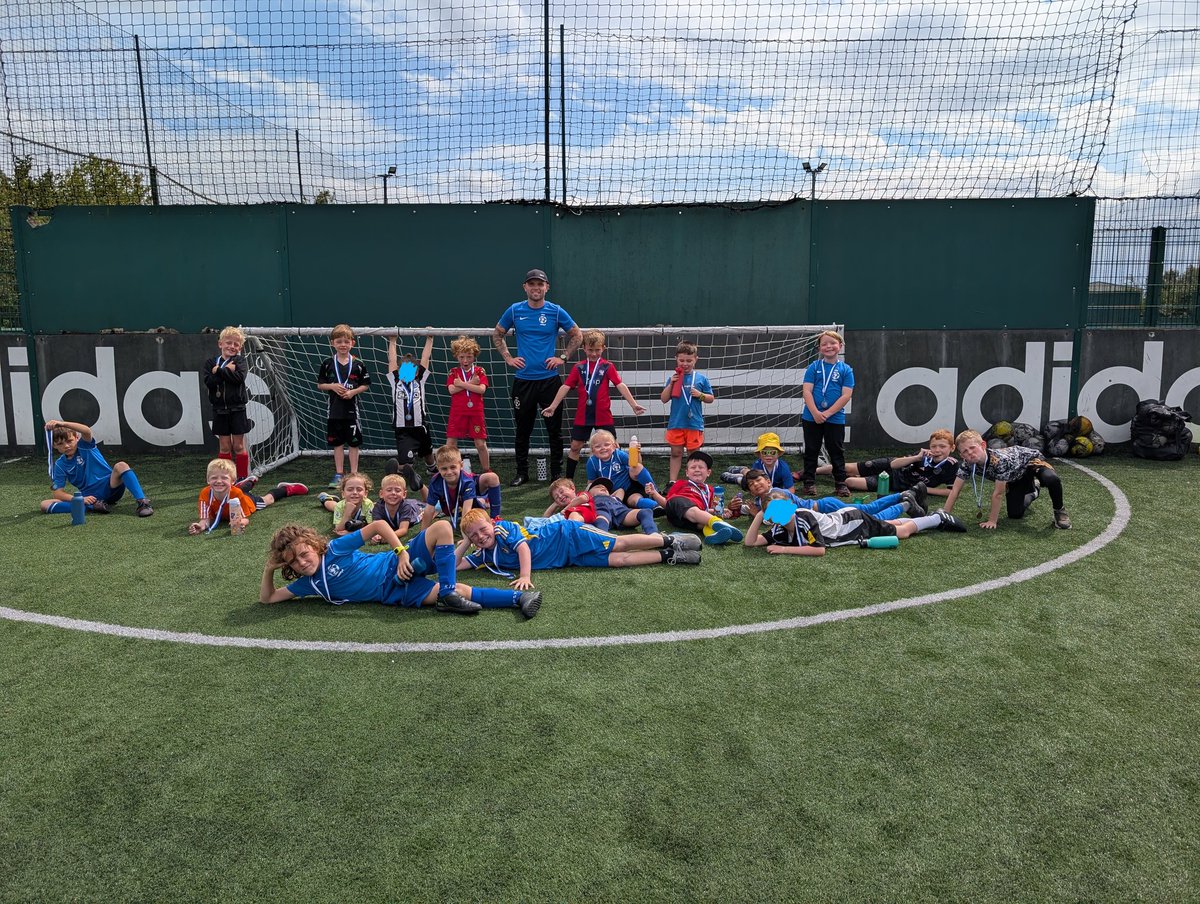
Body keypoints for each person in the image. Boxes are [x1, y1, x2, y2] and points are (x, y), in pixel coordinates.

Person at [261, 519, 541, 617]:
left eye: (303, 554)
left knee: (442, 528)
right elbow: (269, 598)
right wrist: (269, 570)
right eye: (293, 562)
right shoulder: (309, 584)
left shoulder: (335, 548)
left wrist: (401, 553)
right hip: (394, 593)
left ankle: (446, 593)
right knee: (462, 589)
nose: (301, 562)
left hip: (395, 562)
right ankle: (519, 598)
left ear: (313, 545)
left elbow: (379, 527)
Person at [456, 508, 700, 591]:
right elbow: (456, 565)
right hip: (568, 559)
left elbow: (523, 549)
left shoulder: (504, 529)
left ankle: (668, 541)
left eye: (482, 529)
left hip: (569, 534)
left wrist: (525, 576)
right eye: (474, 535)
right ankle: (668, 556)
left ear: (492, 523)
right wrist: (466, 542)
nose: (481, 536)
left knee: (619, 542)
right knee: (619, 560)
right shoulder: (485, 554)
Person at [492, 268, 583, 486]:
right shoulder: (514, 311)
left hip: (549, 381)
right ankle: (521, 472)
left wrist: (562, 357)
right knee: (523, 429)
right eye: (532, 284)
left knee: (554, 430)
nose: (536, 288)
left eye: (540, 284)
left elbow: (577, 335)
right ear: (525, 287)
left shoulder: (556, 311)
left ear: (547, 288)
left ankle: (556, 473)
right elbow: (497, 333)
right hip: (523, 381)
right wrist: (508, 357)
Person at [541, 329, 646, 479]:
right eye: (590, 350)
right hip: (583, 415)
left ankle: (622, 477)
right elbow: (565, 387)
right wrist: (553, 405)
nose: (594, 353)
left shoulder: (607, 366)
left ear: (603, 348)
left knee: (613, 447)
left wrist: (633, 404)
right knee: (575, 447)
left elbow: (620, 384)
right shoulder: (579, 367)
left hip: (603, 414)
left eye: (597, 350)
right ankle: (569, 480)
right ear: (584, 348)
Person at [743, 493, 966, 556]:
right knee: (883, 522)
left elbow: (819, 549)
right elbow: (751, 542)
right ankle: (910, 511)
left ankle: (937, 518)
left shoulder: (803, 518)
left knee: (901, 533)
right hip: (844, 520)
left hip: (852, 523)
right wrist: (759, 516)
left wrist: (783, 549)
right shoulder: (780, 526)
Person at [943, 429, 1071, 530]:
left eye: (972, 448)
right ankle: (1034, 490)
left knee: (1051, 479)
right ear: (960, 455)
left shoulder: (999, 461)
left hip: (1031, 463)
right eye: (965, 451)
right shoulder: (966, 464)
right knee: (1015, 514)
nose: (970, 453)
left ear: (983, 445)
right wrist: (944, 515)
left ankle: (1059, 511)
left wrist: (992, 520)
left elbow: (998, 493)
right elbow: (955, 491)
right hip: (1015, 476)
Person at [40, 419, 154, 517]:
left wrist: (62, 424)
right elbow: (57, 493)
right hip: (91, 497)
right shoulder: (60, 464)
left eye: (69, 441)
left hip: (111, 487)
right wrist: (80, 499)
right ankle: (89, 506)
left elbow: (86, 430)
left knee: (121, 465)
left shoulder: (84, 446)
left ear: (76, 437)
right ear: (54, 445)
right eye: (60, 444)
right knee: (44, 504)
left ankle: (142, 503)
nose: (66, 446)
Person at [817, 428, 958, 498]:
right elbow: (895, 464)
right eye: (934, 446)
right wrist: (916, 458)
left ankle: (858, 477)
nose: (937, 450)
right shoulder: (923, 454)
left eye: (942, 447)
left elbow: (950, 492)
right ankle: (810, 473)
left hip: (892, 482)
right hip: (891, 465)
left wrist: (923, 489)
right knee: (848, 467)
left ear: (952, 448)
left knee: (850, 482)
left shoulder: (951, 465)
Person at [739, 468, 925, 521]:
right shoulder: (759, 500)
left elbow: (784, 516)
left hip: (825, 508)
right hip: (824, 510)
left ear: (769, 482)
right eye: (751, 484)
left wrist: (759, 516)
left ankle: (904, 496)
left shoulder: (777, 493)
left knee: (869, 512)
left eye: (758, 481)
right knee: (868, 511)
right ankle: (904, 497)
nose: (755, 485)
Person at [188, 458, 307, 534]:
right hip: (234, 491)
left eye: (224, 478)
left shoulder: (236, 494)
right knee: (237, 490)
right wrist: (201, 526)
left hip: (248, 501)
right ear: (208, 480)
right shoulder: (204, 493)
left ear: (232, 481)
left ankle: (286, 489)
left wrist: (241, 523)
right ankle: (248, 483)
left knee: (268, 500)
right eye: (214, 478)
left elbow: (245, 518)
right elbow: (205, 519)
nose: (218, 481)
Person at [800, 329, 854, 497]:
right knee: (811, 450)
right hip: (811, 416)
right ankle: (809, 483)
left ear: (840, 346)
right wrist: (815, 412)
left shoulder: (846, 370)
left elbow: (846, 395)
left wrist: (828, 413)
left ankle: (840, 483)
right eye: (824, 344)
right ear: (819, 348)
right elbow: (807, 391)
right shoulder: (813, 367)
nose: (828, 346)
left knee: (836, 450)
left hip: (835, 418)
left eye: (832, 343)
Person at [315, 324, 371, 487]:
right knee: (337, 443)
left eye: (346, 341)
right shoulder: (327, 363)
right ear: (333, 343)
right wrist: (333, 386)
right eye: (339, 341)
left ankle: (354, 473)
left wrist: (353, 392)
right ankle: (339, 473)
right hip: (334, 412)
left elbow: (365, 384)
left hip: (352, 412)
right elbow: (320, 385)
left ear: (352, 343)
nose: (343, 345)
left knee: (354, 443)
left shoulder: (359, 364)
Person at [659, 340, 715, 483]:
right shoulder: (673, 378)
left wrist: (700, 395)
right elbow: (664, 399)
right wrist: (671, 383)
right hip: (676, 423)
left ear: (696, 359)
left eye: (689, 360)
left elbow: (711, 398)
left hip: (694, 423)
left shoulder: (701, 379)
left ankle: (694, 482)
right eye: (682, 360)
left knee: (694, 455)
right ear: (676, 359)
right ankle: (672, 482)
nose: (685, 363)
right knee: (676, 453)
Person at [202, 325, 252, 479]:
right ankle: (227, 478)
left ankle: (243, 479)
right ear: (220, 344)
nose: (232, 346)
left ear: (240, 347)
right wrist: (226, 371)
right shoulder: (211, 363)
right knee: (225, 447)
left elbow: (238, 379)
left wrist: (220, 371)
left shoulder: (240, 361)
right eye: (228, 343)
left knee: (238, 446)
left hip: (237, 409)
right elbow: (209, 382)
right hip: (219, 410)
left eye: (236, 344)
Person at [663, 450, 743, 545]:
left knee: (703, 523)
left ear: (708, 472)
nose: (697, 469)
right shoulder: (681, 483)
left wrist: (720, 510)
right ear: (687, 473)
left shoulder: (711, 490)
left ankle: (713, 535)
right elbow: (667, 502)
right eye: (693, 467)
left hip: (691, 521)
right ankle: (719, 523)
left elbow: (707, 510)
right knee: (692, 510)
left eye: (701, 467)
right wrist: (654, 494)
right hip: (677, 509)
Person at [385, 333, 436, 477]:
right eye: (403, 370)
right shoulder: (395, 381)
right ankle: (400, 470)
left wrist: (430, 339)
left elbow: (425, 358)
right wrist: (393, 341)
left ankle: (431, 468)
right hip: (403, 430)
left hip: (420, 426)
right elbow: (392, 360)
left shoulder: (420, 381)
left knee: (427, 451)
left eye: (411, 371)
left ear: (416, 372)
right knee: (407, 462)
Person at [419, 445, 502, 531]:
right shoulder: (435, 481)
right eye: (444, 469)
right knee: (479, 502)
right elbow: (429, 509)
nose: (449, 472)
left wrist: (466, 535)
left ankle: (495, 518)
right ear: (438, 469)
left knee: (492, 478)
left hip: (469, 503)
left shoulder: (468, 482)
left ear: (461, 465)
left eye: (453, 467)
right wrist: (422, 535)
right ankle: (482, 500)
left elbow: (467, 511)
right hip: (450, 507)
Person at [444, 335, 492, 474]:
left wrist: (462, 384)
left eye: (469, 357)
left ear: (474, 356)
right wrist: (471, 383)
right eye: (461, 357)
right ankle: (450, 470)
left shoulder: (479, 371)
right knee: (451, 443)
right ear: (456, 357)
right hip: (457, 412)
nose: (465, 360)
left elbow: (481, 389)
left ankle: (486, 470)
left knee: (480, 443)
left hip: (475, 412)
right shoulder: (453, 372)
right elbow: (452, 390)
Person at [583, 429, 666, 509]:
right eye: (598, 446)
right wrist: (587, 496)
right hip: (616, 493)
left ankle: (655, 492)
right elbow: (591, 482)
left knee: (636, 467)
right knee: (634, 500)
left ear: (614, 446)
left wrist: (638, 453)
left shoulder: (619, 455)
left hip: (631, 485)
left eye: (607, 445)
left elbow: (637, 464)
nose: (603, 448)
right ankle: (657, 506)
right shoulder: (592, 462)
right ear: (593, 450)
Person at [543, 477, 659, 534]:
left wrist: (608, 495)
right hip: (601, 512)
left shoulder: (613, 498)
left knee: (645, 512)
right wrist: (556, 503)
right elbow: (544, 518)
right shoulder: (588, 497)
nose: (603, 488)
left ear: (573, 488)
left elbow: (620, 490)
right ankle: (603, 541)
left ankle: (653, 535)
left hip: (620, 512)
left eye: (605, 488)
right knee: (601, 521)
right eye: (598, 486)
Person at [368, 472, 425, 540]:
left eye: (397, 490)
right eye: (389, 490)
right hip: (406, 502)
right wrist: (376, 536)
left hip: (416, 507)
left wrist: (387, 537)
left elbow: (403, 530)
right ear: (381, 494)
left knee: (430, 505)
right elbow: (376, 527)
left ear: (404, 494)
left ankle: (420, 484)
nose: (393, 493)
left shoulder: (406, 507)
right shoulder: (378, 507)